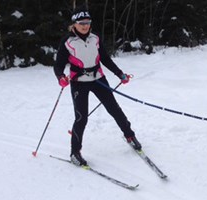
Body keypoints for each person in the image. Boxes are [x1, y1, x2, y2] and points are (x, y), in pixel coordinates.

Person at [53, 7, 141, 166]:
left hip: (98, 79)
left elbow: (105, 59)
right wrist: (61, 78)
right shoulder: (68, 42)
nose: (85, 26)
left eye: (87, 22)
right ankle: (75, 152)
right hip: (79, 82)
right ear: (74, 24)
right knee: (81, 118)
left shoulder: (95, 38)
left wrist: (120, 74)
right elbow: (58, 65)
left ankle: (129, 135)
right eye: (81, 23)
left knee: (114, 109)